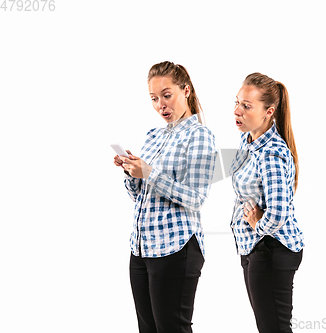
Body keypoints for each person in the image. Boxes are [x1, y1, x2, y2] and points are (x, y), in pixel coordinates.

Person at [113, 61, 216, 333]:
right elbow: (138, 195)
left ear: (186, 90)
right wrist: (132, 171)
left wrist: (150, 173)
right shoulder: (153, 136)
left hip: (176, 248)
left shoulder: (200, 136)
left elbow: (196, 197)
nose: (161, 105)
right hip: (141, 248)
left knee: (172, 328)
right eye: (154, 99)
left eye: (167, 95)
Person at [230, 72, 305, 333]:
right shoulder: (248, 140)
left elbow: (278, 214)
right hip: (255, 247)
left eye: (246, 106)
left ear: (269, 111)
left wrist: (257, 225)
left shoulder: (271, 153)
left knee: (274, 329)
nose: (237, 110)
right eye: (237, 102)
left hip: (271, 248)